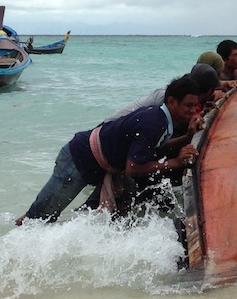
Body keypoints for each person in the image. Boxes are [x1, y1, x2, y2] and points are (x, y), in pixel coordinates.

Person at [14, 76, 201, 225]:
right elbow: (133, 168)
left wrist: (186, 137)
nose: (193, 111)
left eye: (196, 106)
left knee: (118, 208)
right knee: (40, 218)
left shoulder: (160, 118)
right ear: (171, 101)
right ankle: (13, 246)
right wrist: (174, 163)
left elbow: (152, 150)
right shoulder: (154, 123)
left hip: (97, 161)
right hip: (78, 159)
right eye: (188, 105)